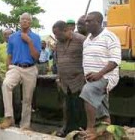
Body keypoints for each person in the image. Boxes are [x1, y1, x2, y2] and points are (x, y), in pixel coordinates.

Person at [80, 11, 121, 140]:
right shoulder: (87, 40)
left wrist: (99, 74)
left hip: (107, 77)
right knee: (102, 109)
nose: (86, 24)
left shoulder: (110, 37)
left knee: (88, 91)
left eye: (89, 21)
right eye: (85, 21)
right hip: (92, 78)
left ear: (98, 22)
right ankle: (107, 134)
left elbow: (115, 61)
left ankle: (90, 128)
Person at [0, 13, 41, 130]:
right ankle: (8, 117)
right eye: (22, 19)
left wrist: (29, 41)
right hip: (16, 67)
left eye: (27, 20)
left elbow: (36, 57)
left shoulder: (36, 37)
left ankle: (25, 125)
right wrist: (8, 68)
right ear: (19, 22)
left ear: (30, 22)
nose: (24, 21)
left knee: (27, 99)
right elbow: (9, 55)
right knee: (6, 85)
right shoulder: (12, 37)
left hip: (30, 68)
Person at [52, 20, 87, 137]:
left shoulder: (81, 40)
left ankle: (81, 132)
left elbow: (88, 59)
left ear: (66, 30)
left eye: (57, 34)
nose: (56, 37)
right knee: (67, 108)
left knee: (79, 108)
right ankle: (67, 130)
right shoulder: (58, 43)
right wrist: (58, 77)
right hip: (64, 82)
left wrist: (84, 76)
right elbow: (57, 61)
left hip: (78, 80)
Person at [0, 28, 22, 124]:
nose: (7, 36)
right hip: (2, 76)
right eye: (5, 34)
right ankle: (4, 118)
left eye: (9, 34)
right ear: (3, 36)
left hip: (15, 75)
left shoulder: (18, 46)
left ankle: (17, 120)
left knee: (16, 99)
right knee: (3, 99)